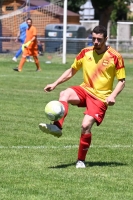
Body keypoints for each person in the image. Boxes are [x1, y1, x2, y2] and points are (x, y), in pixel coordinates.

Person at [38, 25, 126, 169]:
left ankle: (80, 160)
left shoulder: (115, 57)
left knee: (85, 126)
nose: (96, 42)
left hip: (101, 97)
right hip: (85, 90)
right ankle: (57, 127)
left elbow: (122, 81)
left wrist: (113, 96)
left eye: (99, 39)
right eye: (93, 39)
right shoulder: (85, 52)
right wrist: (55, 83)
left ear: (106, 39)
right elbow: (71, 71)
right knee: (64, 94)